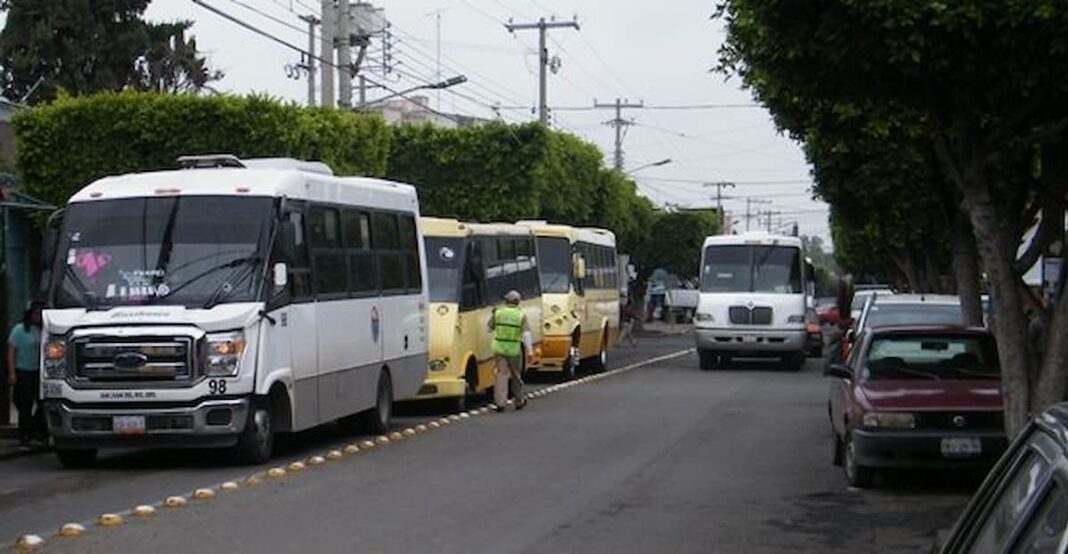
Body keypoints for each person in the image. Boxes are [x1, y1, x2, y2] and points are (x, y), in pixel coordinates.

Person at [488, 290, 533, 412]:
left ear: (505, 300)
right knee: (516, 376)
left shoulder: (498, 313)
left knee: (501, 375)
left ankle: (500, 403)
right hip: (514, 350)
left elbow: (489, 329)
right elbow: (526, 334)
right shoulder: (520, 315)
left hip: (499, 348)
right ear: (518, 302)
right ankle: (519, 401)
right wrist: (530, 351)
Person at [8, 301, 45, 451]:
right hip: (23, 370)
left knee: (42, 403)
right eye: (36, 314)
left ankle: (38, 432)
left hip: (38, 371)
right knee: (24, 405)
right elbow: (11, 352)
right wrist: (12, 373)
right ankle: (25, 438)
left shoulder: (42, 330)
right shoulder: (20, 330)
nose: (38, 318)